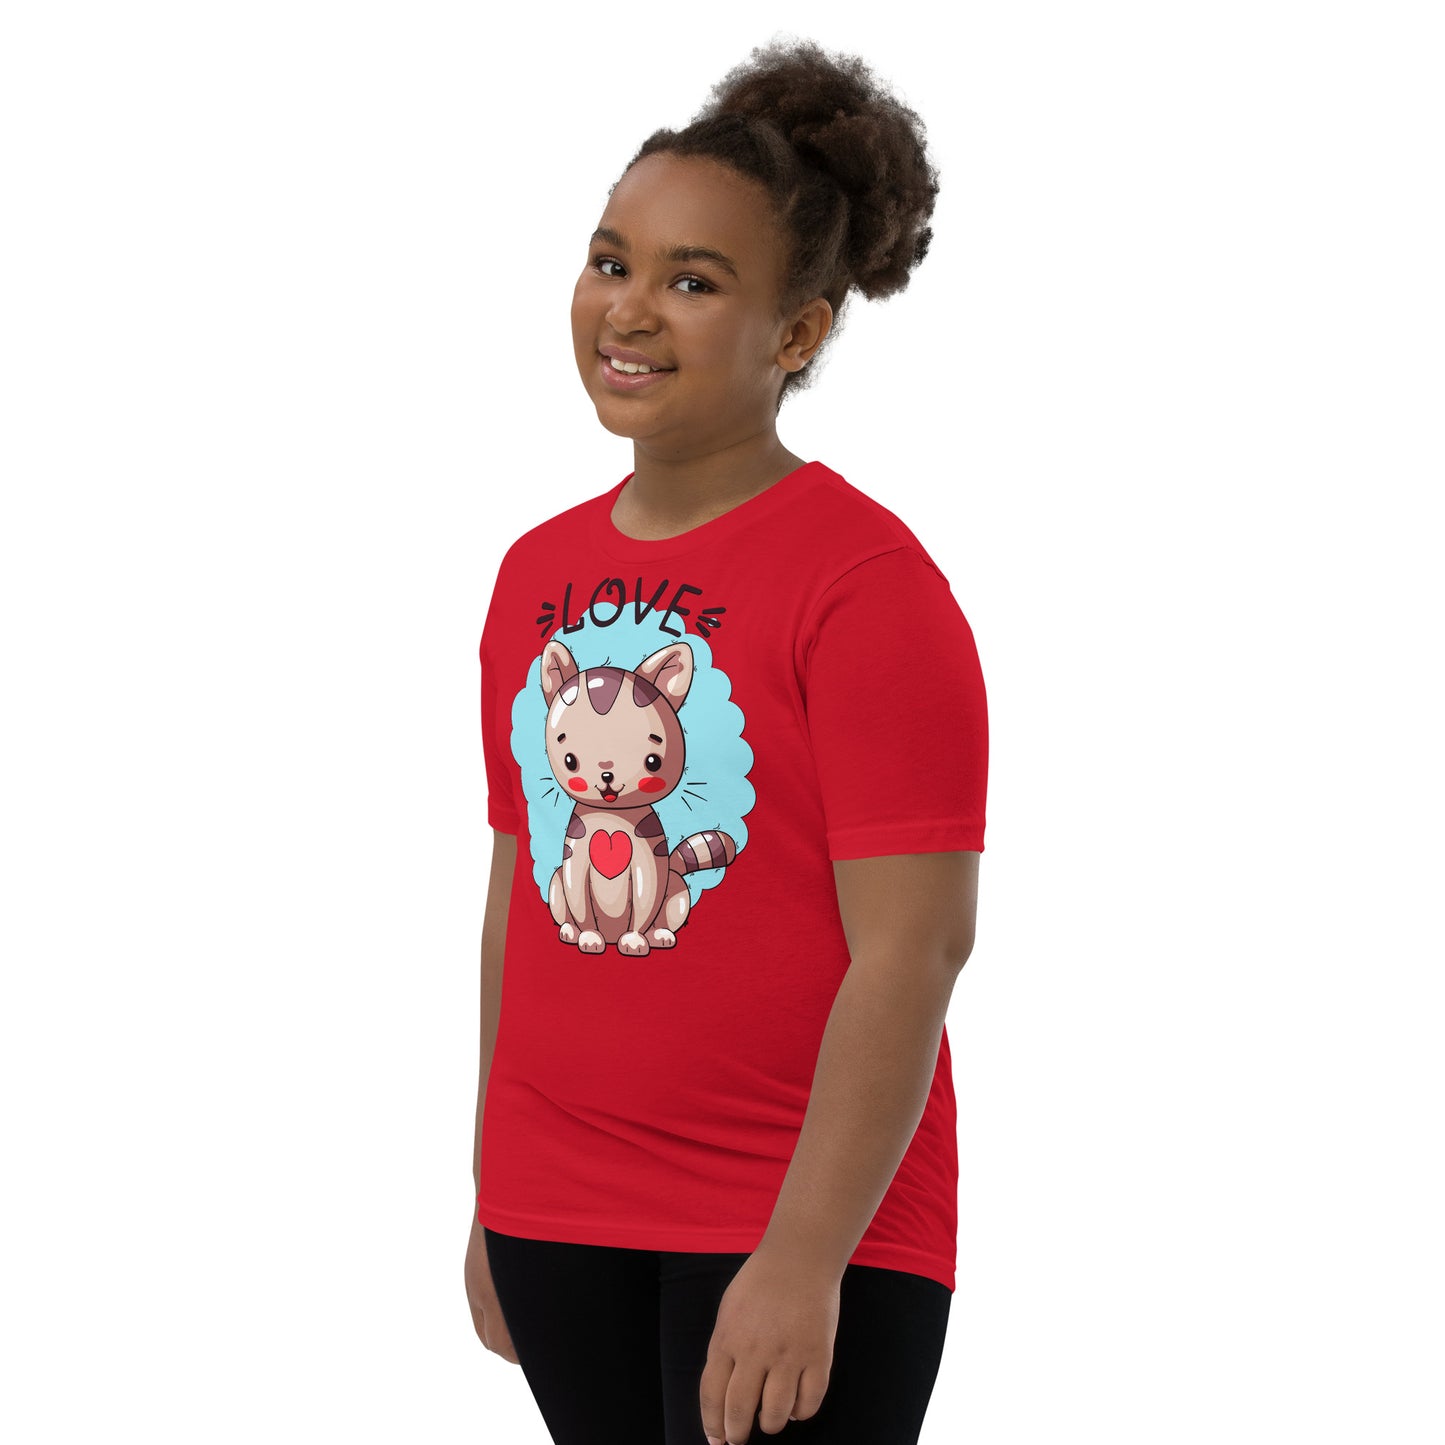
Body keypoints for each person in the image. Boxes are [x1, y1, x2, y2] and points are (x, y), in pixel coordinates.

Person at [464, 38, 988, 1445]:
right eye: (611, 260)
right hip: (560, 1211)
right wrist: (494, 1186)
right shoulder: (532, 577)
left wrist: (804, 1256)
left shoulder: (865, 586)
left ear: (797, 334)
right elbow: (520, 887)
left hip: (793, 1218)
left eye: (694, 282)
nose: (630, 309)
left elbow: (915, 949)